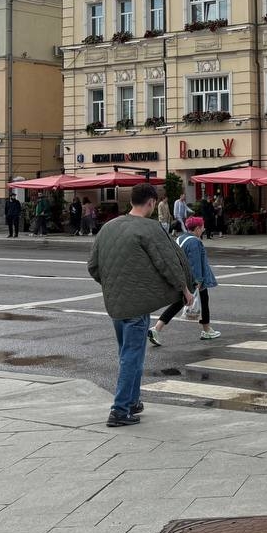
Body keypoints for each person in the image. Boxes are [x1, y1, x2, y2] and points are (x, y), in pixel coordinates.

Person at [87, 183, 193, 427]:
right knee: (131, 358)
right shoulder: (150, 228)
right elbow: (168, 262)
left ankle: (133, 402)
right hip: (136, 307)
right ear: (152, 203)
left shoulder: (108, 227)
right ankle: (120, 410)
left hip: (115, 305)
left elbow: (93, 266)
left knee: (130, 354)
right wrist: (184, 289)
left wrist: (113, 285)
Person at [149, 217, 221, 345]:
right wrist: (198, 281)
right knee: (203, 301)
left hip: (181, 276)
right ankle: (206, 330)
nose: (203, 229)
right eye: (202, 227)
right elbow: (195, 263)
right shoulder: (194, 242)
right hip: (193, 279)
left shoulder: (180, 238)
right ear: (198, 228)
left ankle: (157, 328)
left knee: (180, 303)